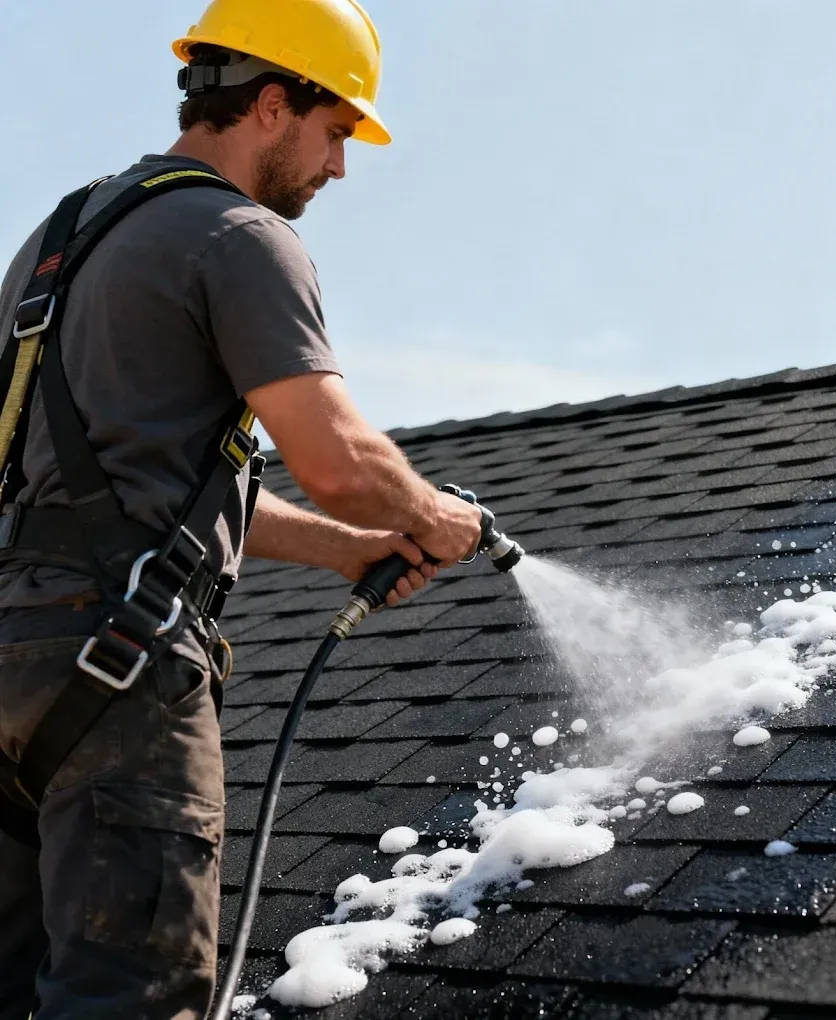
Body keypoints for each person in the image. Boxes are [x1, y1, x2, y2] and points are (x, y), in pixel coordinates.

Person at [0, 2, 481, 1017]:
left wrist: (349, 550)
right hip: (118, 682)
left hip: (13, 660)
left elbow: (141, 493)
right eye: (338, 131)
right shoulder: (238, 234)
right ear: (273, 104)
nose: (340, 167)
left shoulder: (61, 237)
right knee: (130, 996)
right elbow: (337, 455)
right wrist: (431, 512)